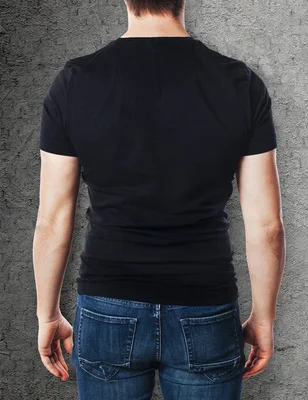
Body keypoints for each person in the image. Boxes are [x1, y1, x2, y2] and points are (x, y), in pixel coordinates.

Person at [33, 1, 285, 398]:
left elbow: (53, 219)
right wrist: (264, 318)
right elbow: (267, 227)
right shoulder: (239, 82)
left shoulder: (75, 81)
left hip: (108, 305)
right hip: (206, 306)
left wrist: (47, 313)